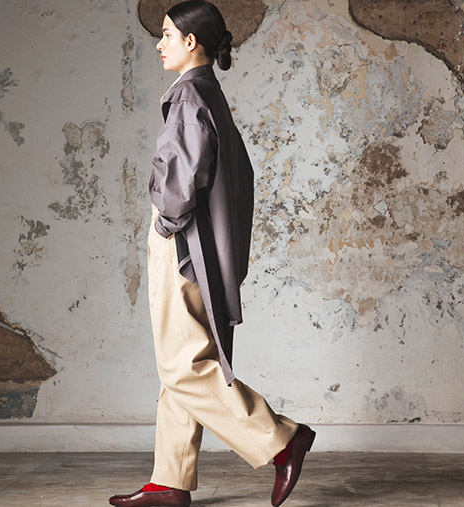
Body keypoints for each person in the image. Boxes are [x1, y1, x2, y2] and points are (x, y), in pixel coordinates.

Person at [108, 2, 315, 506]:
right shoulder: (209, 92)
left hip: (180, 243)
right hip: (201, 246)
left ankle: (280, 439)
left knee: (184, 365)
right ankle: (169, 481)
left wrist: (164, 222)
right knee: (183, 359)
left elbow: (182, 180)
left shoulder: (188, 96)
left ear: (191, 41)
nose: (159, 44)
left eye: (166, 35)